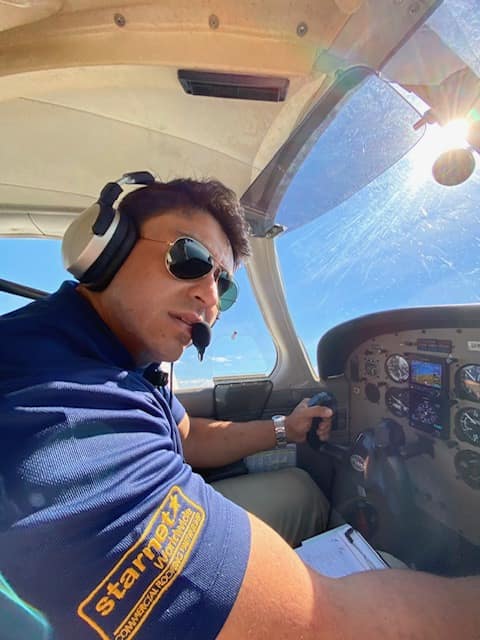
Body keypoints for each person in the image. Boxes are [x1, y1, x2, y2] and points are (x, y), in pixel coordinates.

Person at [0, 176, 477, 640]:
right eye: (189, 258)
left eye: (224, 286)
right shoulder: (56, 401)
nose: (210, 299)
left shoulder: (119, 362)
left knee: (299, 487)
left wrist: (286, 429)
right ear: (108, 245)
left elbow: (188, 437)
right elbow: (321, 625)